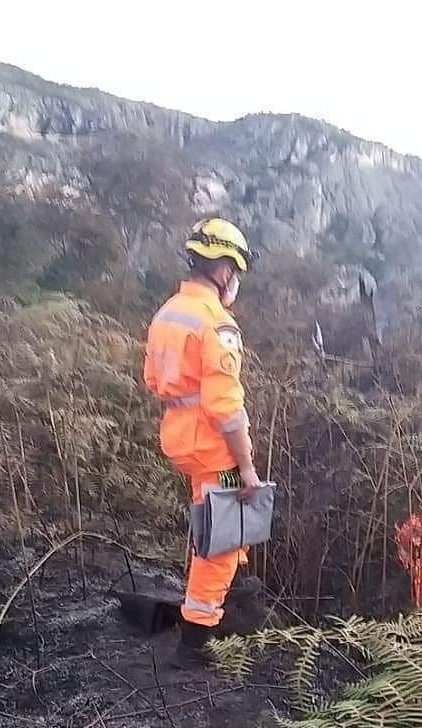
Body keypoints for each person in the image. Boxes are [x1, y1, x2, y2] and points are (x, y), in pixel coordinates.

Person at [143, 218, 261, 666]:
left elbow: (152, 378)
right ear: (226, 269)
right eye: (237, 271)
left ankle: (233, 598)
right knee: (224, 540)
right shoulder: (217, 323)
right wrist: (245, 467)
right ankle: (196, 641)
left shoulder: (169, 311)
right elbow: (226, 408)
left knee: (214, 519)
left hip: (178, 435)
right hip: (212, 445)